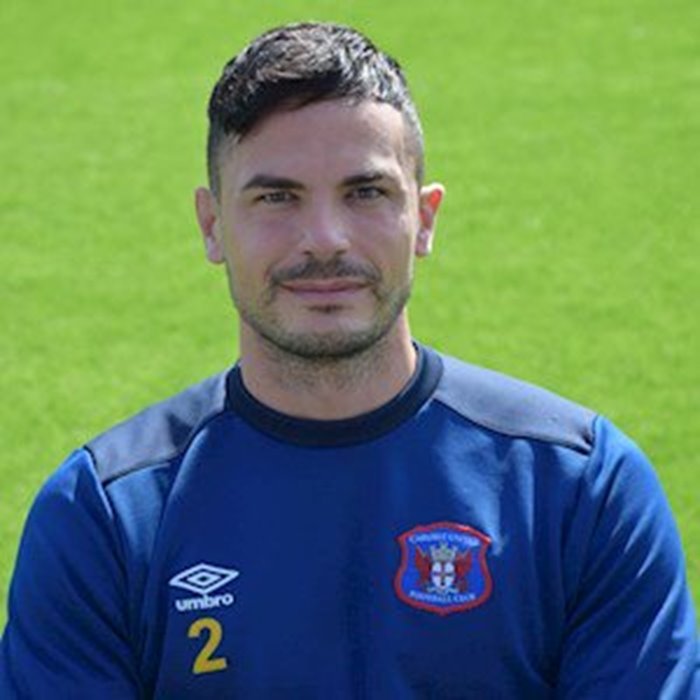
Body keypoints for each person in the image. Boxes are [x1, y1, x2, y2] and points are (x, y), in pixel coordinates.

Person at [0, 21, 697, 699]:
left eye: (365, 193)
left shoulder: (579, 489)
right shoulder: (106, 516)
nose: (325, 238)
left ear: (424, 218)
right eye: (277, 197)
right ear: (212, 226)